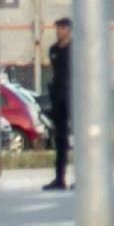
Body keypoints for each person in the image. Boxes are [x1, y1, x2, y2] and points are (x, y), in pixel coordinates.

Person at [41, 22, 75, 194]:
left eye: (62, 28)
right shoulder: (53, 49)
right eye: (57, 28)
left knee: (78, 137)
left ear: (69, 30)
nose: (59, 31)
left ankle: (82, 178)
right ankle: (59, 178)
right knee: (60, 138)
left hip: (73, 94)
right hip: (58, 95)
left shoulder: (76, 49)